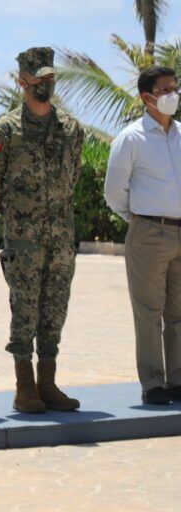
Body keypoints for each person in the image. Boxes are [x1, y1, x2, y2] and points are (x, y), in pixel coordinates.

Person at [0, 47, 84, 414]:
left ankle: (48, 382)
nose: (44, 85)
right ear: (21, 81)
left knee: (55, 310)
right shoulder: (5, 130)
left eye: (49, 78)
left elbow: (73, 176)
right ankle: (24, 386)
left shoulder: (71, 128)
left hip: (60, 236)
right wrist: (19, 218)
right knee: (24, 309)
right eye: (37, 79)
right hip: (23, 238)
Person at [104, 66, 181, 405]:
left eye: (175, 88)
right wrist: (139, 219)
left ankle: (178, 379)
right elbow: (113, 191)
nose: (172, 95)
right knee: (148, 311)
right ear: (147, 97)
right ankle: (153, 383)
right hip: (149, 231)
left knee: (178, 312)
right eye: (165, 90)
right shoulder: (131, 138)